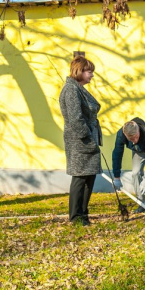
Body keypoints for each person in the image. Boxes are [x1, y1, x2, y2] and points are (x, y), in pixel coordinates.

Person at [59, 55, 103, 226]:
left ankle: (83, 215)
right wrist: (88, 138)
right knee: (80, 179)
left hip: (86, 140)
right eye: (89, 71)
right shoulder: (70, 90)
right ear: (79, 71)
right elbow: (76, 119)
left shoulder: (77, 89)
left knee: (88, 178)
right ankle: (76, 217)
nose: (92, 75)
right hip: (80, 141)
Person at [111, 117, 145, 213]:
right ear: (125, 135)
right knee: (135, 173)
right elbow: (117, 154)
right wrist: (116, 177)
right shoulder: (121, 135)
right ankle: (141, 203)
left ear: (138, 131)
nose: (134, 141)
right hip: (139, 150)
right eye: (131, 139)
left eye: (136, 137)